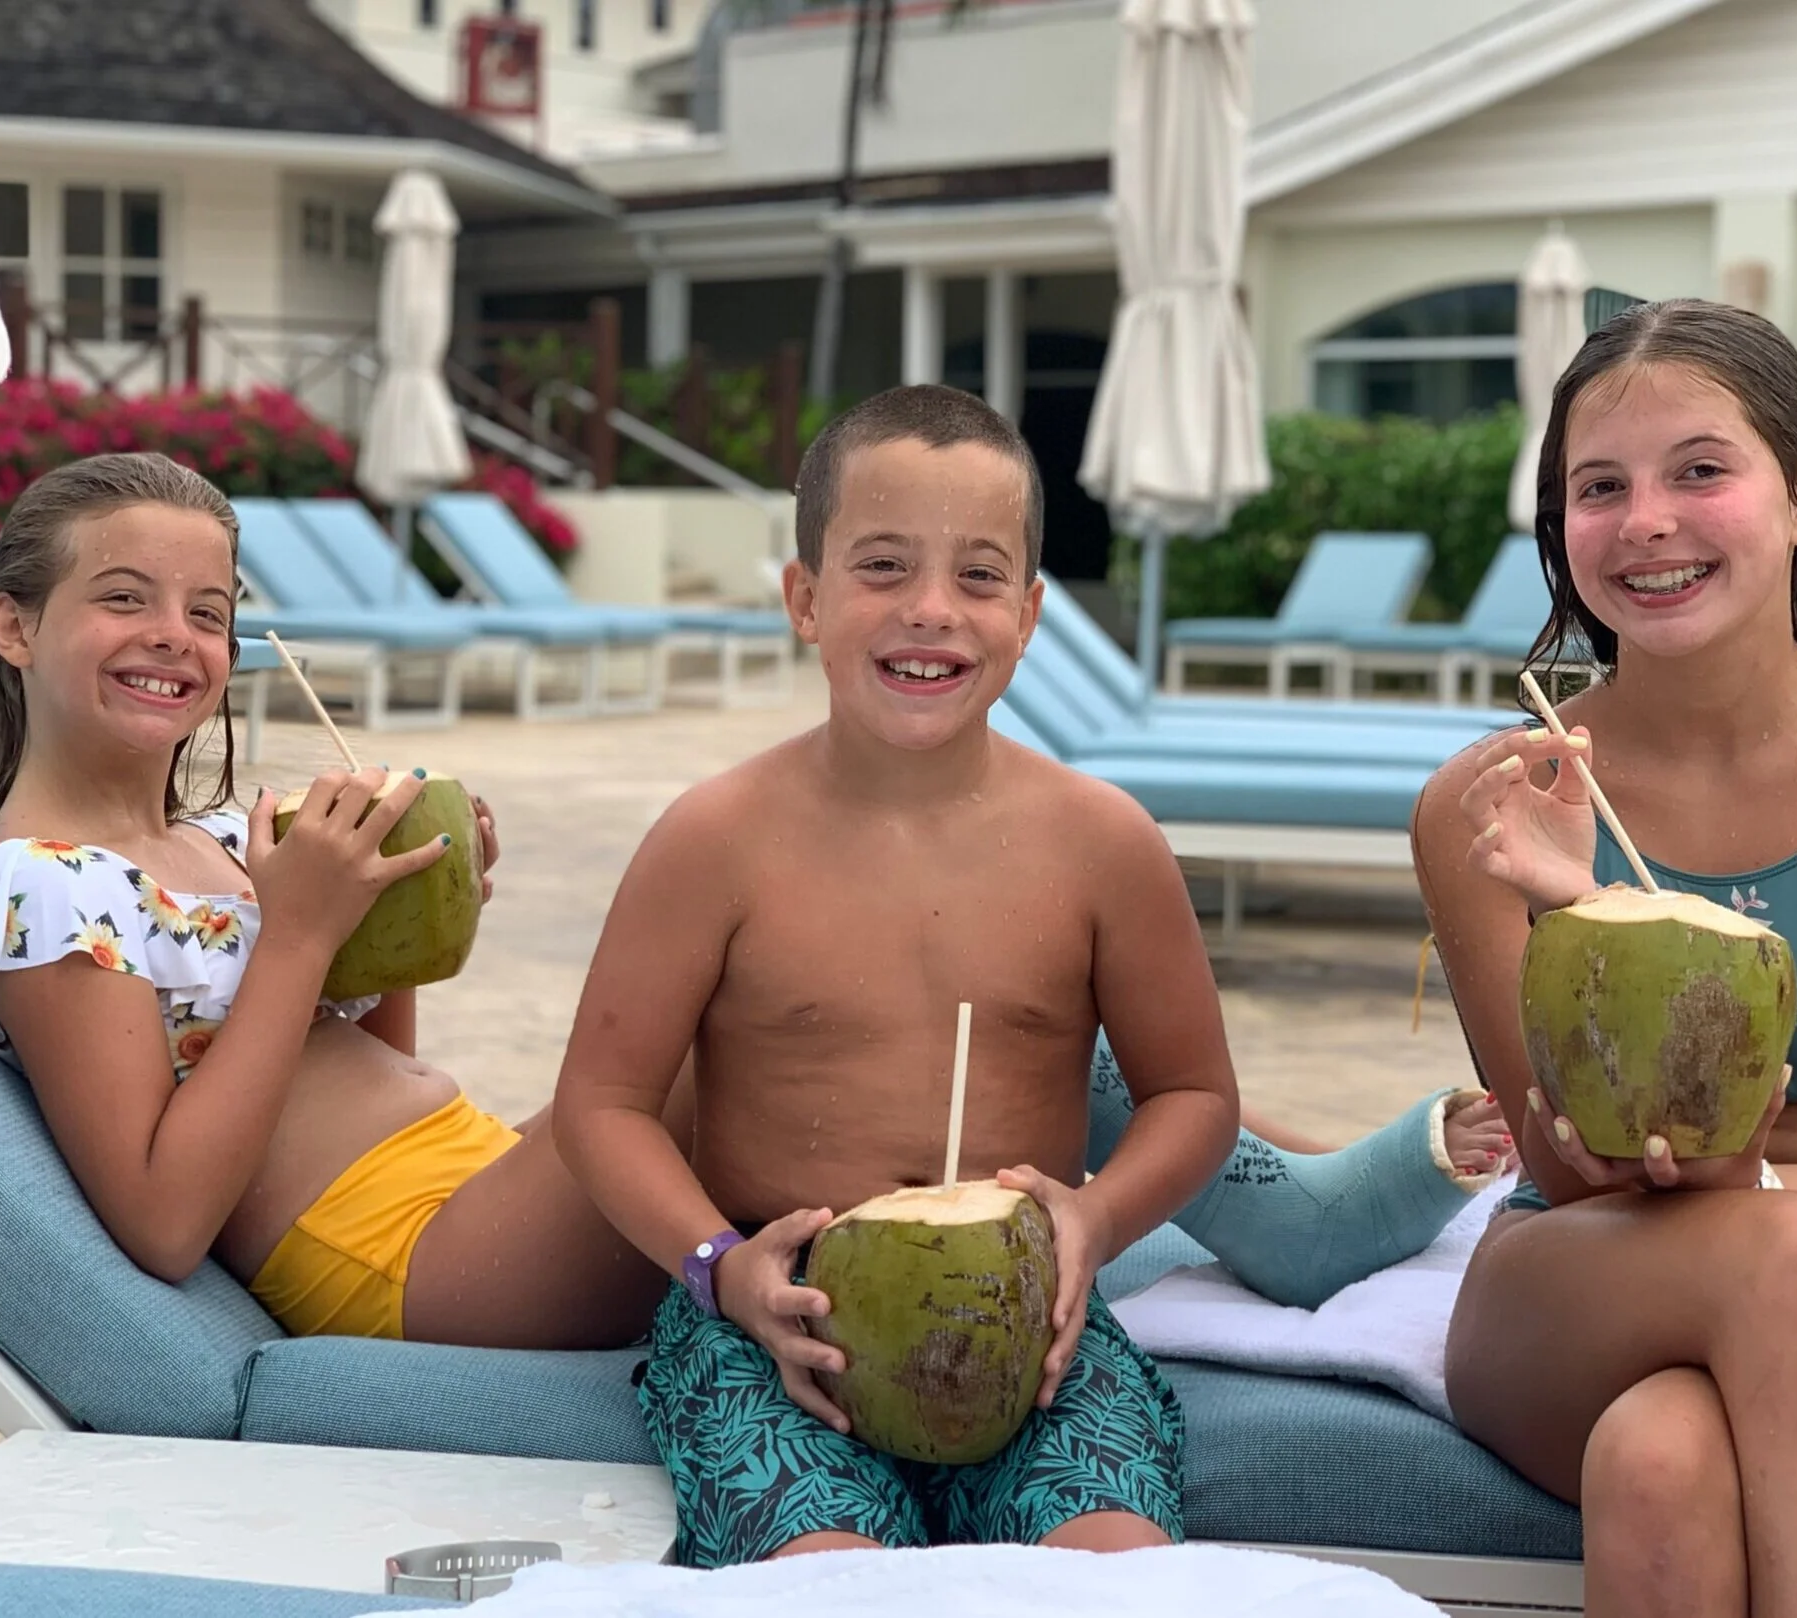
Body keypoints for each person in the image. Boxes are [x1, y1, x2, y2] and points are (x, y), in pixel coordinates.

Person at [550, 384, 1515, 1570]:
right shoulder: (714, 841)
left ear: (1029, 612)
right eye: (883, 566)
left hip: (1030, 1314)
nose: (930, 609)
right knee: (825, 1579)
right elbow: (603, 1102)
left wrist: (1096, 1220)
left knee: (1112, 1565)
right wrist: (718, 1269)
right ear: (804, 597)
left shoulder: (1101, 843)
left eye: (978, 575)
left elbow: (1191, 1096)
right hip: (778, 1318)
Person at [1416, 300, 1797, 1615]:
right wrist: (1575, 907)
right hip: (1581, 1272)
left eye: (1699, 470)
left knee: (1666, 1461)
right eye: (1600, 487)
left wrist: (1754, 1187)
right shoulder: (1501, 803)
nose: (1646, 521)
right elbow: (1559, 1167)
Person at [0, 451, 681, 1351]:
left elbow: (370, 1066)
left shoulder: (229, 839)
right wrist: (301, 938)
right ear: (14, 627)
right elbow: (164, 1224)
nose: (173, 635)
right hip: (400, 1255)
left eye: (208, 613)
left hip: (471, 1177)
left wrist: (395, 918)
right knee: (726, 1026)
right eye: (124, 598)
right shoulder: (45, 886)